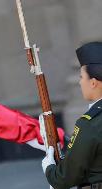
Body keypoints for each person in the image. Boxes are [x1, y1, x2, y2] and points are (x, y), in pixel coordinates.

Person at [42, 42, 102, 189]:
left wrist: (49, 168)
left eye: (82, 77)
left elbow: (64, 179)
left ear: (93, 82)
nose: (80, 82)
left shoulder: (89, 123)